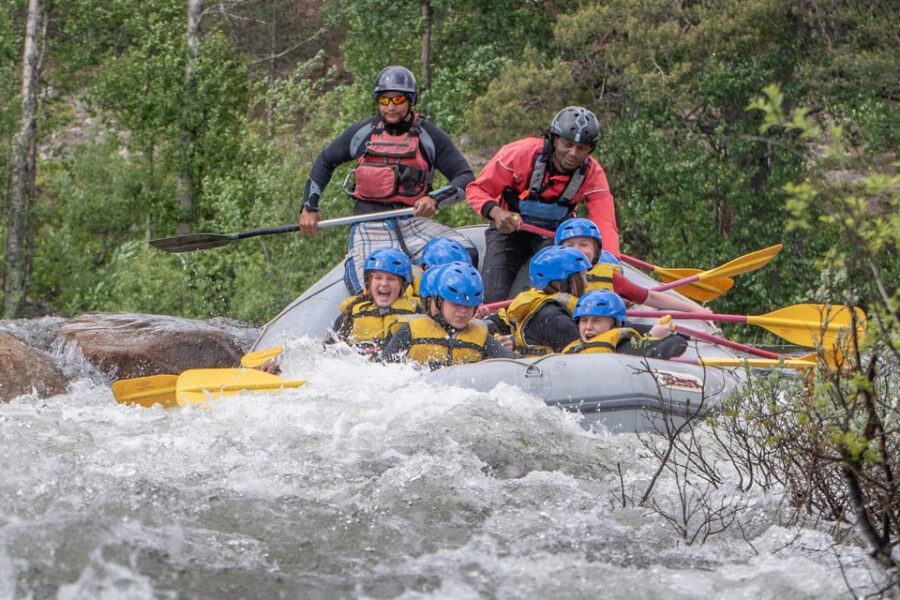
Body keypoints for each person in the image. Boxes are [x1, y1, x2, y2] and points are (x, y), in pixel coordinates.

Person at [298, 65, 477, 293]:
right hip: (369, 223)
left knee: (464, 253)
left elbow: (465, 177)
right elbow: (325, 161)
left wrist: (435, 198)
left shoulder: (429, 136)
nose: (391, 107)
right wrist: (309, 207)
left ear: (410, 101)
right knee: (366, 288)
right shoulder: (362, 133)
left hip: (413, 221)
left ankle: (434, 302)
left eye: (398, 99)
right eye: (384, 100)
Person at [466, 106, 619, 302]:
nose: (573, 153)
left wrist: (610, 263)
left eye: (581, 148)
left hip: (553, 237)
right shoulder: (520, 154)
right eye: (567, 144)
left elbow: (605, 222)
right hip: (508, 230)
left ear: (590, 150)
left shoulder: (593, 174)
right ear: (555, 140)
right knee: (495, 295)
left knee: (542, 296)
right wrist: (496, 213)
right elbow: (477, 189)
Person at [554, 218, 711, 314]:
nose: (577, 250)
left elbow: (650, 297)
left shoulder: (609, 277)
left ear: (596, 250)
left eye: (584, 244)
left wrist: (695, 309)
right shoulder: (549, 275)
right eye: (570, 245)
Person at [383, 262, 515, 368]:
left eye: (468, 306)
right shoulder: (410, 331)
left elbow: (514, 364)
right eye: (455, 304)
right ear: (439, 302)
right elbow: (382, 368)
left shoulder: (482, 337)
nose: (463, 311)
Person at [506, 246, 591, 355]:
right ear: (558, 283)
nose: (586, 284)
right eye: (583, 276)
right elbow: (584, 357)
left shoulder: (542, 306)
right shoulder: (556, 319)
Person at [331, 248, 420, 354]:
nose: (384, 283)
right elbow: (331, 350)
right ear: (369, 282)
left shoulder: (416, 311)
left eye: (391, 279)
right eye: (378, 278)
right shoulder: (349, 315)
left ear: (403, 285)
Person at [562, 290, 687, 359]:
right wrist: (650, 337)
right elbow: (678, 342)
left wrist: (650, 338)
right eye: (584, 320)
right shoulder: (573, 348)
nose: (588, 327)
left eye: (597, 321)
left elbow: (678, 343)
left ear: (616, 324)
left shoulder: (620, 345)